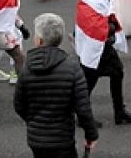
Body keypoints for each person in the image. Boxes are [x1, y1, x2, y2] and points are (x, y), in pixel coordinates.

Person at [14, 13, 99, 157]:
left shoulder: (26, 68)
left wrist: (34, 121)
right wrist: (91, 134)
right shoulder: (72, 68)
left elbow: (19, 105)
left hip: (36, 138)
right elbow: (83, 108)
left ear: (39, 41)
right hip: (63, 138)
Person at [75, 0, 131, 126]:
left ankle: (119, 112)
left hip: (103, 45)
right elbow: (94, 25)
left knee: (117, 73)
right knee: (88, 83)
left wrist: (110, 27)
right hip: (95, 47)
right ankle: (83, 117)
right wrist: (110, 27)